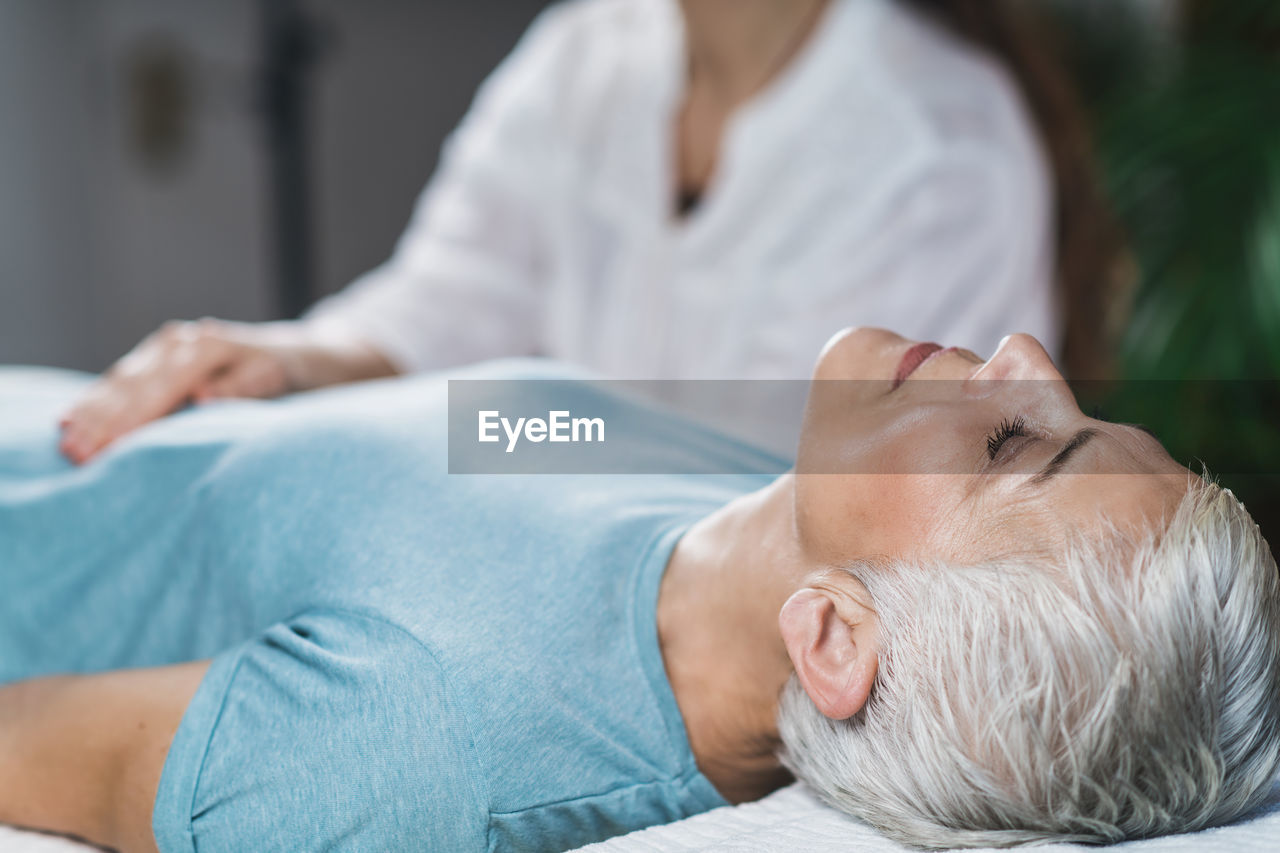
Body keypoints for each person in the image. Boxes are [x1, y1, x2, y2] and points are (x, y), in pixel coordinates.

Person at [1, 328, 1276, 852]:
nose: (1024, 356)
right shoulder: (769, 506)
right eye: (1075, 416)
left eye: (1012, 446)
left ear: (835, 636)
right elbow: (485, 453)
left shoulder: (416, 738)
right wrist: (321, 370)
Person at [56, 0, 1119, 466]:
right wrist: (287, 362)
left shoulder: (935, 140)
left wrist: (443, 433)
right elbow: (445, 299)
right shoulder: (583, 56)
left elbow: (755, 475)